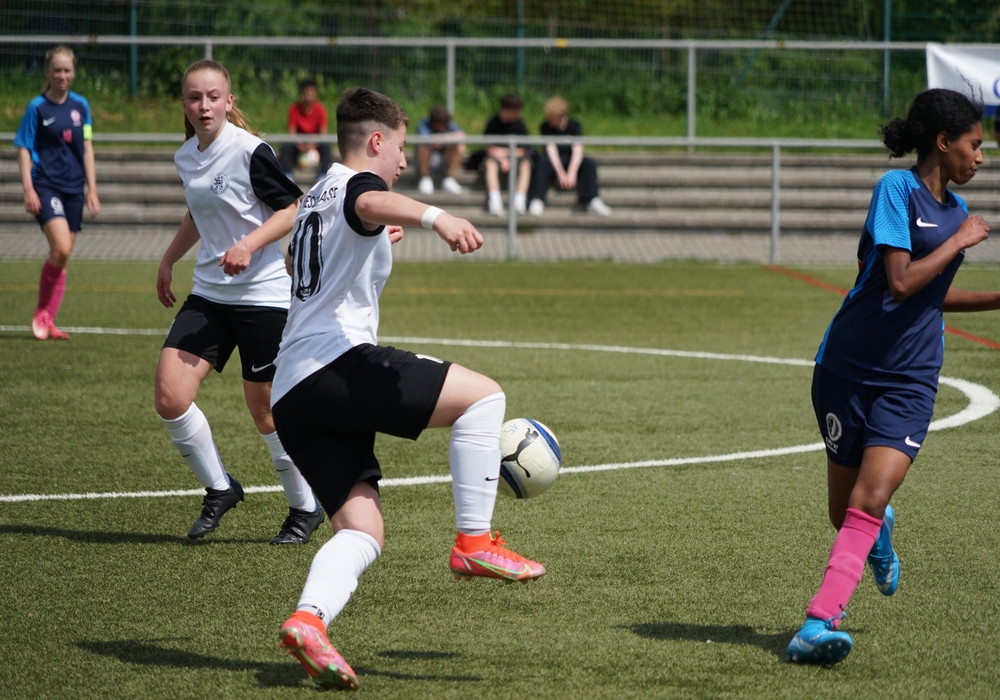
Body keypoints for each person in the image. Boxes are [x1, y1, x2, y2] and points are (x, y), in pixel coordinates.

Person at [270, 87, 546, 690]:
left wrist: (370, 241)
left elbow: (297, 261)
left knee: (361, 531)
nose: (403, 160)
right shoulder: (356, 186)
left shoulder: (315, 195)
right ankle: (473, 541)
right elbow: (371, 198)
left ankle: (308, 621)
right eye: (399, 148)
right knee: (483, 397)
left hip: (292, 395)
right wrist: (438, 217)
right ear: (376, 140)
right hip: (334, 365)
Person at [785, 88, 1000, 666]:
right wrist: (959, 240)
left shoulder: (956, 211)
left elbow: (931, 296)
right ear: (943, 142)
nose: (982, 156)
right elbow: (901, 281)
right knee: (844, 513)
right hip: (846, 367)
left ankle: (818, 622)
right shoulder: (896, 191)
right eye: (975, 144)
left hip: (911, 377)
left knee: (871, 496)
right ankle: (877, 532)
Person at [154, 59, 324, 545]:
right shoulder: (186, 156)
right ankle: (220, 487)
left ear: (229, 102)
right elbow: (197, 213)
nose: (204, 105)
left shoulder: (250, 151)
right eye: (194, 97)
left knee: (264, 409)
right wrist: (168, 259)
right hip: (209, 293)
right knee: (170, 396)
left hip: (262, 296)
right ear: (184, 104)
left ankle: (304, 507)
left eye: (213, 97)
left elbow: (293, 207)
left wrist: (248, 245)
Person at [14, 45, 100, 341]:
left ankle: (48, 319)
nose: (62, 75)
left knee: (62, 256)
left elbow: (87, 147)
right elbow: (23, 148)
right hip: (46, 185)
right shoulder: (36, 107)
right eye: (57, 70)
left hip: (74, 188)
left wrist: (92, 188)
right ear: (48, 72)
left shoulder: (81, 106)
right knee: (61, 248)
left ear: (73, 72)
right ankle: (42, 311)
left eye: (67, 70)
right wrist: (28, 188)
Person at [527, 96, 611, 217]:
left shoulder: (574, 125)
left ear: (561, 116)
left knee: (589, 164)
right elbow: (551, 150)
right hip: (554, 161)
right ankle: (537, 199)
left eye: (552, 118)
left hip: (571, 159)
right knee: (542, 163)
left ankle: (593, 199)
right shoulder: (545, 126)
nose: (550, 121)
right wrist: (561, 173)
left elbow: (577, 150)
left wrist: (572, 173)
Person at [481, 92, 533, 217]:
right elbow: (489, 148)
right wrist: (504, 157)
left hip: (515, 158)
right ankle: (495, 200)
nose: (517, 114)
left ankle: (519, 200)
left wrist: (506, 155)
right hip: (496, 159)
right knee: (490, 164)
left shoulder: (520, 124)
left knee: (526, 164)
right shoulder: (493, 122)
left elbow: (524, 149)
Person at [279, 79, 333, 181]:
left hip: (315, 143)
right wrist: (300, 145)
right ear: (301, 94)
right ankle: (287, 175)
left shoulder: (320, 109)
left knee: (326, 147)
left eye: (310, 93)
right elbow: (292, 132)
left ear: (315, 94)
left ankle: (323, 174)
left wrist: (311, 146)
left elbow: (323, 133)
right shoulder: (293, 109)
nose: (307, 96)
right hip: (298, 144)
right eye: (305, 93)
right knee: (286, 147)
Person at [415, 105, 466, 196]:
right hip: (427, 160)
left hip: (444, 158)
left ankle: (449, 179)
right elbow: (424, 141)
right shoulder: (424, 124)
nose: (443, 127)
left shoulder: (448, 124)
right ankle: (425, 178)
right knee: (423, 147)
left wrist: (438, 139)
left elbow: (461, 136)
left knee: (459, 147)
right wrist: (447, 138)